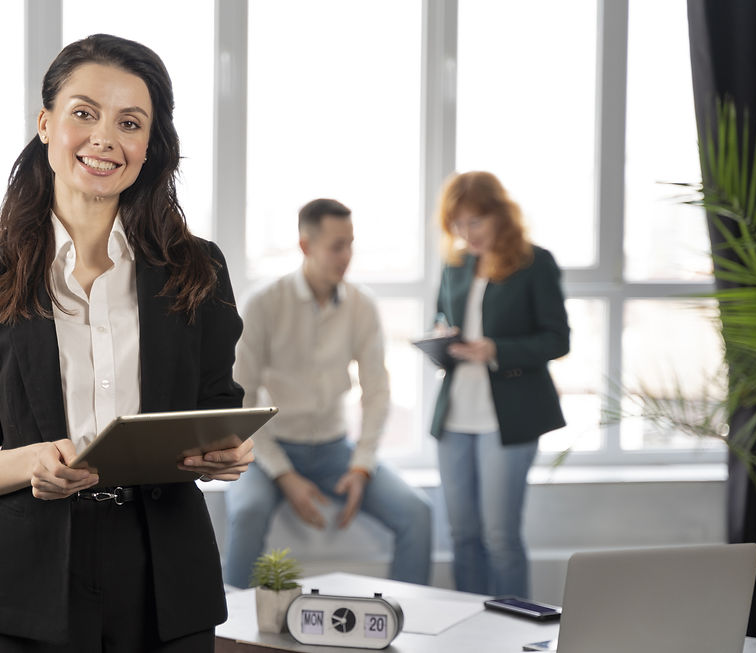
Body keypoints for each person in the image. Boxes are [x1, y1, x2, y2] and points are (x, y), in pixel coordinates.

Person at [0, 34, 252, 652]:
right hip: (30, 579)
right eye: (84, 113)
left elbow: (215, 410)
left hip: (166, 578)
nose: (105, 138)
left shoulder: (198, 269)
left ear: (150, 147)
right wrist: (31, 464)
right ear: (46, 123)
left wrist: (223, 454)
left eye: (130, 123)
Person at [223, 198, 433, 589]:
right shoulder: (264, 304)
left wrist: (361, 466)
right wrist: (284, 475)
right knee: (248, 511)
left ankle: (406, 626)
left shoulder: (361, 305)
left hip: (336, 452)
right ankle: (225, 638)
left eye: (351, 243)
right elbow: (242, 399)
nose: (347, 256)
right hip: (270, 449)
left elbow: (377, 392)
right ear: (306, 245)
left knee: (418, 513)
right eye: (337, 245)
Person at [430, 171, 569, 598]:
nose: (465, 233)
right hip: (455, 416)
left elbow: (557, 339)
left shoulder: (534, 263)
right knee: (462, 536)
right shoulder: (456, 265)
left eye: (474, 221)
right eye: (457, 224)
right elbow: (441, 317)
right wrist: (439, 336)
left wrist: (496, 350)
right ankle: (469, 631)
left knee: (500, 538)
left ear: (499, 215)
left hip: (508, 418)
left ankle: (512, 634)